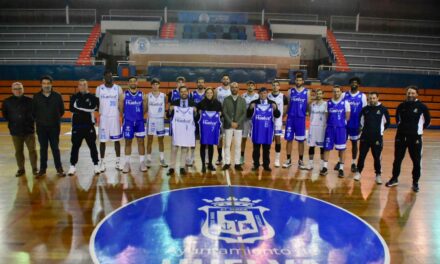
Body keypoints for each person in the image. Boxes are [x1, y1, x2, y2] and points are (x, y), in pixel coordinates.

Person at [386, 86, 431, 192]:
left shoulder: (422, 107)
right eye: (409, 93)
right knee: (397, 160)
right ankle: (394, 178)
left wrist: (417, 130)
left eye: (412, 93)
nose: (410, 95)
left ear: (417, 94)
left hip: (415, 138)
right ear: (406, 94)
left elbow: (427, 121)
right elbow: (397, 119)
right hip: (400, 137)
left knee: (416, 161)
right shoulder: (401, 106)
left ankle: (415, 182)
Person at [2, 82, 38, 177]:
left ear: (23, 89)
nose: (18, 90)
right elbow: (5, 115)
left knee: (32, 150)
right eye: (15, 89)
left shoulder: (30, 101)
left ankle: (34, 169)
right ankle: (21, 169)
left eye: (20, 88)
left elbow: (35, 114)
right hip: (15, 131)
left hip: (29, 131)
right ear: (12, 90)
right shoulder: (7, 102)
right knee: (18, 151)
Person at [32, 75, 65, 177]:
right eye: (44, 83)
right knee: (43, 148)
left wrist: (53, 119)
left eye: (48, 83)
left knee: (55, 148)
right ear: (41, 85)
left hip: (54, 127)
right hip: (41, 128)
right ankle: (42, 169)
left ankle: (59, 168)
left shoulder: (57, 96)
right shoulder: (36, 97)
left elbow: (62, 111)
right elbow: (33, 112)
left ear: (51, 84)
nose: (46, 85)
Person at [354, 92, 390, 184]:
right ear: (368, 99)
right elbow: (361, 122)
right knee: (362, 156)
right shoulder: (365, 109)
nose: (372, 100)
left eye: (374, 98)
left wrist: (380, 131)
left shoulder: (383, 109)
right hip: (365, 137)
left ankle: (378, 175)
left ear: (378, 98)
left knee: (377, 157)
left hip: (377, 137)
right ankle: (358, 172)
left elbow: (387, 123)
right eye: (370, 98)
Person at [68, 79, 100, 176]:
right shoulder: (74, 97)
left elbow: (94, 108)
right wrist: (86, 109)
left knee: (92, 146)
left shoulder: (93, 97)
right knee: (75, 147)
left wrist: (79, 108)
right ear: (78, 86)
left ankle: (96, 165)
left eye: (84, 85)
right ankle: (72, 166)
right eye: (80, 85)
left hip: (89, 126)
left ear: (87, 86)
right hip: (77, 126)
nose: (82, 86)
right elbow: (72, 108)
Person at [320, 85, 351, 177]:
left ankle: (341, 168)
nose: (336, 93)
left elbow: (347, 117)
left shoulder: (345, 103)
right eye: (335, 91)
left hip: (341, 129)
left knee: (342, 149)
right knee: (327, 148)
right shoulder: (328, 103)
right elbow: (326, 116)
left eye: (338, 91)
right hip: (330, 128)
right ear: (332, 92)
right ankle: (325, 167)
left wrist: (341, 123)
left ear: (341, 92)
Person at [247, 87, 281, 172]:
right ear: (259, 94)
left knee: (266, 149)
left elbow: (277, 115)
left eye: (265, 93)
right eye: (261, 93)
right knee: (256, 149)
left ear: (267, 94)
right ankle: (256, 164)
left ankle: (266, 165)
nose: (263, 95)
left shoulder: (272, 103)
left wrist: (275, 109)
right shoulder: (254, 103)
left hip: (267, 131)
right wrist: (250, 109)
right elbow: (248, 115)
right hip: (256, 130)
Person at [96, 70, 123, 172]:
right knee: (102, 141)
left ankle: (118, 161)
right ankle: (102, 162)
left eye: (111, 76)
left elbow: (120, 104)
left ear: (113, 77)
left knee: (117, 140)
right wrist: (99, 115)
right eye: (107, 76)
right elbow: (97, 104)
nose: (109, 78)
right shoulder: (99, 89)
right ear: (104, 78)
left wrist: (122, 115)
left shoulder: (118, 88)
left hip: (114, 117)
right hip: (104, 118)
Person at [167, 86, 198, 175]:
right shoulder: (174, 103)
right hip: (177, 130)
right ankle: (172, 168)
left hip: (187, 130)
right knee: (174, 149)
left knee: (184, 149)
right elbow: (169, 116)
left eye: (185, 91)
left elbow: (196, 118)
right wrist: (170, 110)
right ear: (179, 93)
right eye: (181, 92)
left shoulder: (193, 103)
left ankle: (182, 167)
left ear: (188, 92)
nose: (183, 93)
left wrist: (195, 112)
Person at [283, 72, 311, 169]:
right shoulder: (290, 91)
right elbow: (288, 104)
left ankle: (300, 160)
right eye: (297, 80)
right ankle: (288, 159)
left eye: (300, 80)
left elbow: (308, 105)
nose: (298, 81)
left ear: (303, 81)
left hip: (301, 119)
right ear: (295, 81)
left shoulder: (307, 92)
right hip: (291, 118)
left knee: (301, 141)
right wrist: (284, 115)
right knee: (289, 139)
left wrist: (308, 114)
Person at [120, 76, 147, 173]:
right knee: (128, 142)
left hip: (139, 121)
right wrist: (126, 116)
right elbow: (121, 108)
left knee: (141, 142)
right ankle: (127, 163)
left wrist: (144, 101)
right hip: (128, 121)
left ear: (137, 83)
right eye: (131, 81)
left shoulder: (142, 94)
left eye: (134, 81)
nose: (133, 83)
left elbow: (145, 109)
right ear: (128, 83)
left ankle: (142, 162)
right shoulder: (124, 95)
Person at [343, 77, 367, 172]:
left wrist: (362, 125)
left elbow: (365, 111)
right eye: (352, 82)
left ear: (358, 85)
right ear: (350, 84)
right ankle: (340, 162)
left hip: (356, 124)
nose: (354, 84)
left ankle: (353, 163)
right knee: (342, 143)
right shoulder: (344, 95)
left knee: (354, 144)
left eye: (356, 82)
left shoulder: (363, 96)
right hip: (345, 123)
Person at [222, 82, 247, 171]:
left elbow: (244, 113)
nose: (234, 89)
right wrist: (231, 122)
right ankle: (227, 163)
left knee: (237, 145)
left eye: (236, 87)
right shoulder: (226, 99)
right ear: (230, 89)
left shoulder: (242, 100)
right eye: (232, 87)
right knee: (227, 145)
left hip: (238, 126)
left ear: (238, 89)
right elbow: (224, 112)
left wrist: (237, 123)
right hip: (228, 125)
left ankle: (237, 163)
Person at [197, 87, 222, 172]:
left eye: (211, 93)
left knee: (211, 145)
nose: (209, 94)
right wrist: (199, 113)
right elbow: (197, 116)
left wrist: (220, 114)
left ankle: (210, 164)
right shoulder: (201, 103)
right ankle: (203, 164)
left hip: (212, 127)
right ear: (205, 94)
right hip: (204, 128)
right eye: (207, 93)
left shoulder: (218, 103)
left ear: (213, 94)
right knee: (203, 145)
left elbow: (221, 115)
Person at [145, 78, 168, 168]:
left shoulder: (164, 96)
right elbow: (146, 108)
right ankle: (148, 159)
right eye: (153, 84)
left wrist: (165, 113)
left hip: (160, 120)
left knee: (161, 140)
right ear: (151, 85)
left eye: (157, 84)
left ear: (159, 85)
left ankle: (162, 159)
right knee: (149, 140)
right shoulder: (147, 96)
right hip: (151, 120)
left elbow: (166, 105)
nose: (155, 86)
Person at [268, 80, 288, 167]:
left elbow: (285, 109)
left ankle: (277, 160)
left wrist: (280, 118)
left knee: (277, 140)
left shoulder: (283, 97)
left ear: (279, 87)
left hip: (278, 121)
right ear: (272, 86)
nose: (275, 87)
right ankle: (266, 159)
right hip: (268, 120)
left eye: (277, 85)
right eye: (274, 85)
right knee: (267, 140)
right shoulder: (268, 96)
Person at [306, 89, 327, 171]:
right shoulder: (312, 104)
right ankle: (310, 164)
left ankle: (322, 165)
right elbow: (309, 113)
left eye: (320, 93)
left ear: (323, 95)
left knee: (322, 147)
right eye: (317, 94)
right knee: (311, 146)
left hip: (322, 128)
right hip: (313, 128)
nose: (318, 95)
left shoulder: (326, 104)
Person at [214, 74, 232, 165]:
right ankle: (220, 157)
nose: (225, 80)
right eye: (224, 78)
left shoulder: (232, 90)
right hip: (219, 115)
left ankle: (228, 156)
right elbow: (214, 102)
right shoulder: (217, 90)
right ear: (222, 80)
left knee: (229, 137)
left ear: (229, 80)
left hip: (229, 116)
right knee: (220, 137)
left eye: (227, 78)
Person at [240, 80, 259, 165]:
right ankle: (242, 157)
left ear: (254, 87)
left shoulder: (258, 96)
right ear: (246, 86)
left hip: (255, 120)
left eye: (252, 85)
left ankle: (255, 158)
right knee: (243, 139)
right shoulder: (243, 96)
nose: (250, 86)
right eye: (249, 85)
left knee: (255, 140)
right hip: (245, 120)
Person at [188, 77, 206, 166]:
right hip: (194, 119)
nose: (200, 84)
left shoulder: (207, 93)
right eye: (199, 82)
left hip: (205, 120)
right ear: (197, 84)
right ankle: (192, 157)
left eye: (202, 82)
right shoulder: (192, 94)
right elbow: (189, 105)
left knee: (205, 139)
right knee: (193, 139)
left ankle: (205, 157)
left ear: (204, 84)